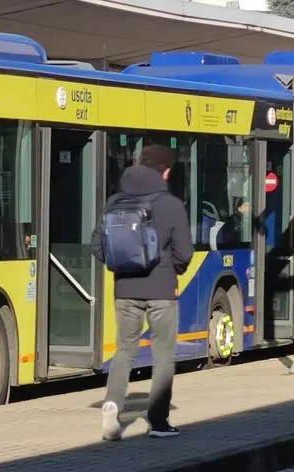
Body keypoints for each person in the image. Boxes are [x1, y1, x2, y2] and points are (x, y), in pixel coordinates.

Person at [91, 144, 194, 441]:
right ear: (166, 171)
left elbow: (98, 247)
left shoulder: (114, 202)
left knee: (125, 350)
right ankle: (159, 422)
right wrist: (170, 270)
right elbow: (184, 252)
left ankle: (112, 404)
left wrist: (122, 268)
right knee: (163, 354)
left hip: (124, 290)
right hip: (162, 290)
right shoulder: (172, 204)